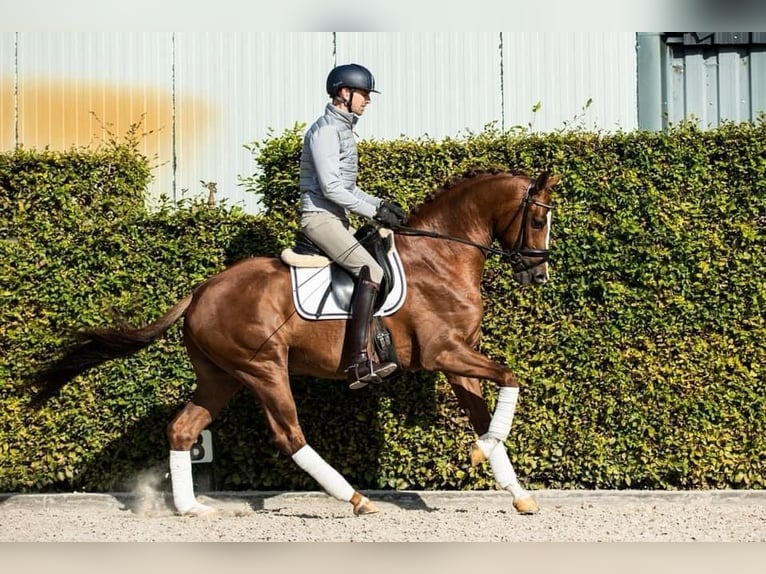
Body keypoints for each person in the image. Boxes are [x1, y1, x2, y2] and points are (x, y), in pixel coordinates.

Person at [299, 63, 406, 390]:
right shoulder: (326, 131)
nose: (368, 100)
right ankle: (359, 360)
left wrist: (380, 206)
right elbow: (331, 190)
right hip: (319, 219)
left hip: (336, 219)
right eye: (363, 93)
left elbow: (348, 188)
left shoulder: (343, 130)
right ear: (344, 93)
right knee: (370, 270)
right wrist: (373, 214)